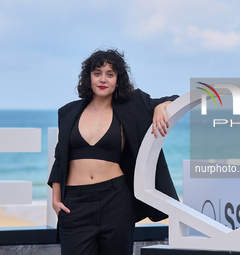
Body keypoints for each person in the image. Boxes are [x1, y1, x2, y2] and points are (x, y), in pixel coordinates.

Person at [47, 49, 179, 255]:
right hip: (75, 204)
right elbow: (60, 157)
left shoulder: (132, 105)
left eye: (110, 74)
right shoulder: (68, 112)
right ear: (88, 77)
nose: (103, 79)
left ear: (118, 80)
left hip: (116, 201)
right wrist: (55, 199)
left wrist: (161, 107)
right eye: (97, 73)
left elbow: (174, 99)